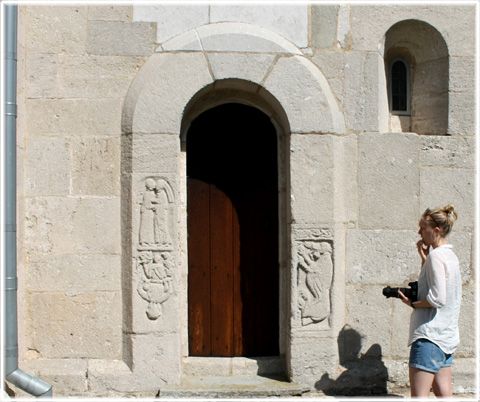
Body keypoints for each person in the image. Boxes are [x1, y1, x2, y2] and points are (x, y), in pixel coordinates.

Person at [399, 204, 461, 397]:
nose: (419, 232)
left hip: (429, 337)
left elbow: (437, 298)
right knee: (444, 394)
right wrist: (424, 261)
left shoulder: (436, 256)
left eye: (422, 228)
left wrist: (413, 304)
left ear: (436, 230)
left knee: (419, 397)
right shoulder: (450, 256)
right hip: (446, 338)